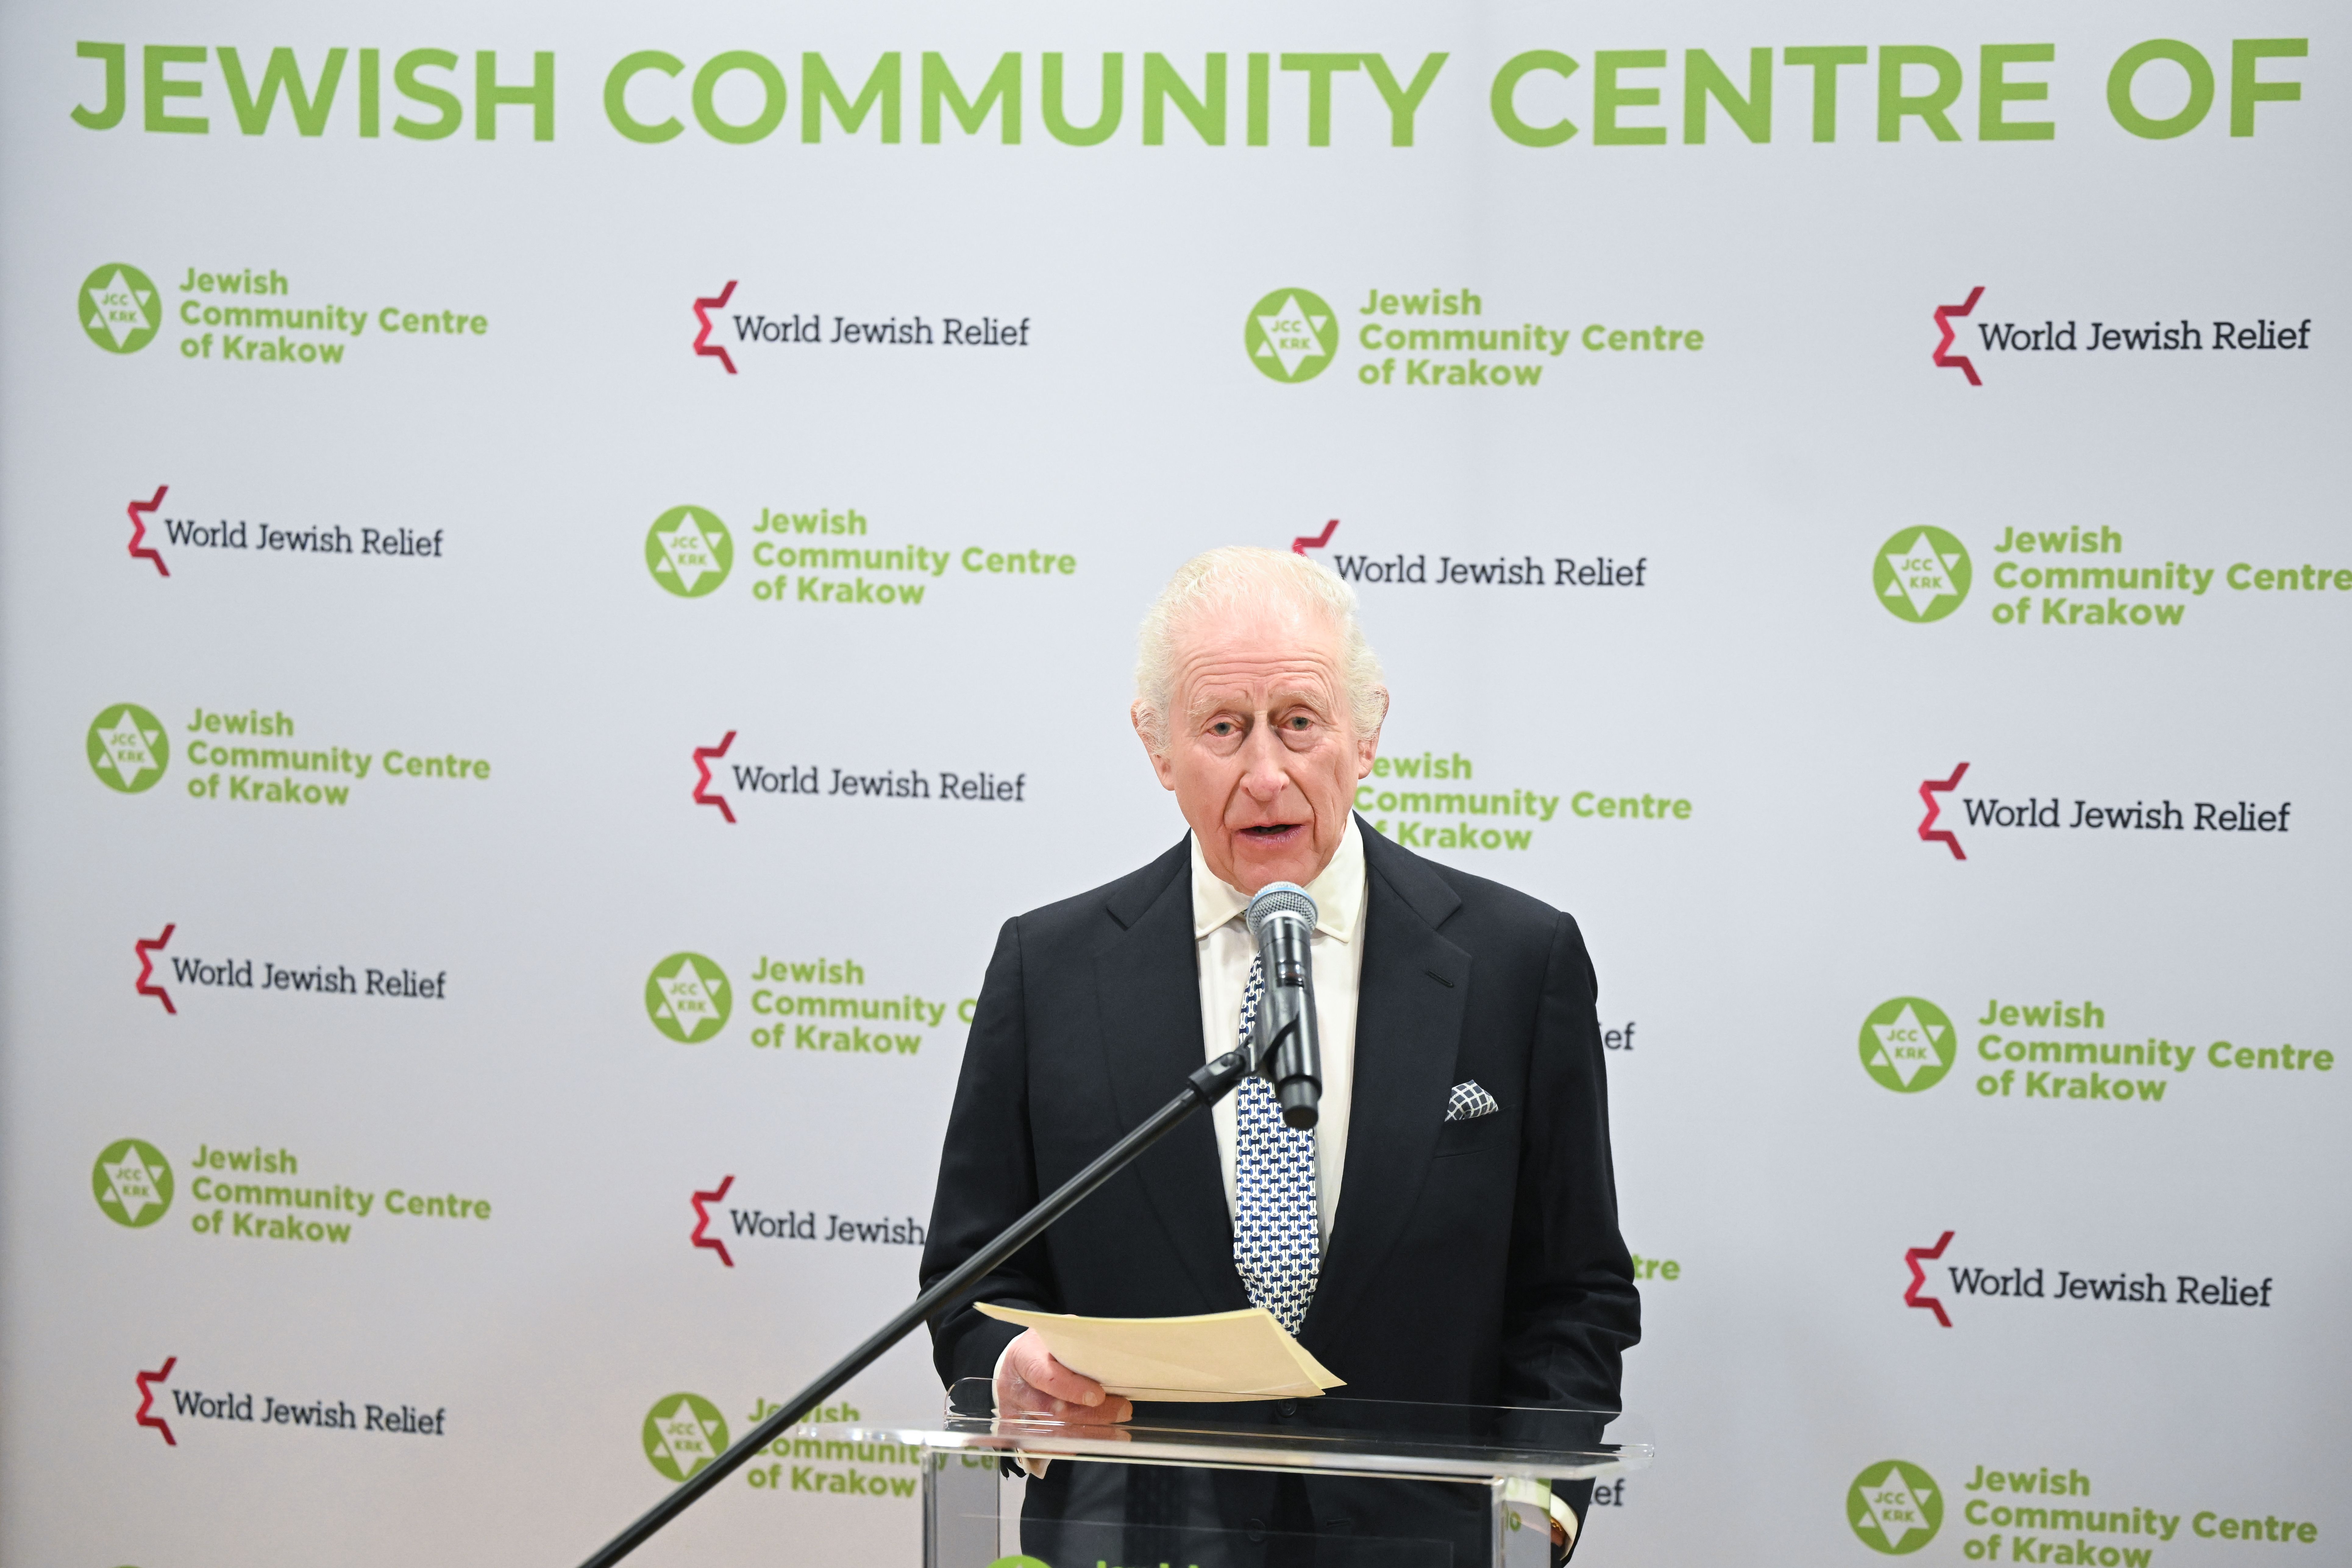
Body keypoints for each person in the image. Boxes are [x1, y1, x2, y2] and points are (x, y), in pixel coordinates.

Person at [920, 546, 1639, 1564]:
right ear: (1157, 745)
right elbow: (973, 1271)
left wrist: (1535, 1509)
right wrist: (1011, 1374)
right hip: (1135, 1540)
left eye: (1300, 721)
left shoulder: (1518, 962)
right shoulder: (1050, 968)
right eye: (1223, 727)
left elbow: (1577, 1291)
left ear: (1367, 730)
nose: (1267, 772)